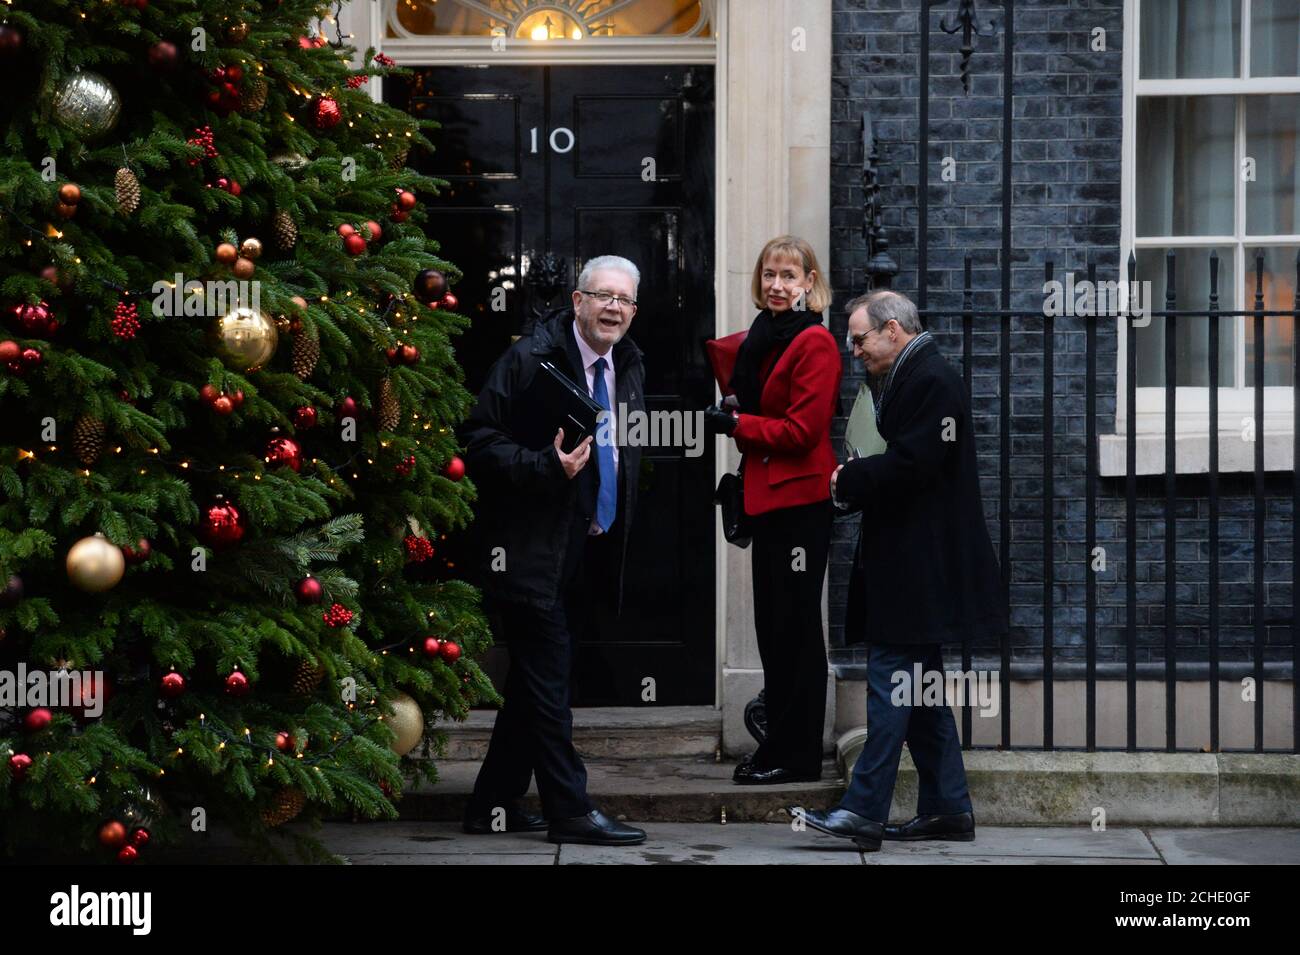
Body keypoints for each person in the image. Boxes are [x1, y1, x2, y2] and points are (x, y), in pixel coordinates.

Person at [797, 289, 1006, 852]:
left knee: (891, 682)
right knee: (922, 691)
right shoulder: (914, 376)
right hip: (913, 562)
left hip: (920, 566)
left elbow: (916, 463)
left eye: (860, 338)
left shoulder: (931, 380)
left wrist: (849, 480)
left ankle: (863, 811)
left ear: (893, 330)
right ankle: (948, 807)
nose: (853, 350)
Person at [461, 255, 648, 846]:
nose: (613, 308)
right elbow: (477, 440)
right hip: (527, 550)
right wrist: (546, 466)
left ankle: (493, 804)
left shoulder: (629, 363)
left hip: (584, 547)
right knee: (549, 683)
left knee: (533, 684)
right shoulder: (529, 359)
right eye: (602, 296)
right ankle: (569, 808)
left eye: (624, 300)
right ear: (577, 300)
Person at [704, 235, 842, 785]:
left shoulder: (816, 343)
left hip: (802, 505)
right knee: (773, 629)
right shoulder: (763, 336)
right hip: (770, 500)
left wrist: (738, 424)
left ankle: (797, 753)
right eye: (769, 275)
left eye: (790, 275)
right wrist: (740, 413)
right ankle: (781, 743)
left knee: (796, 631)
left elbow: (804, 431)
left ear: (810, 282)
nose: (778, 285)